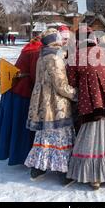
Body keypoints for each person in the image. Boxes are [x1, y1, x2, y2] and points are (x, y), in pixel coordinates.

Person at [66, 27, 105, 190]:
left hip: (91, 101)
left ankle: (93, 177)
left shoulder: (75, 56)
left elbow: (71, 82)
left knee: (91, 136)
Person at [25, 29, 77, 184]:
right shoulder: (54, 58)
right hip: (55, 103)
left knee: (44, 135)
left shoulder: (42, 56)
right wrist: (76, 93)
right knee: (59, 135)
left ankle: (38, 168)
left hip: (41, 101)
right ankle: (63, 172)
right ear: (55, 40)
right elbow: (61, 85)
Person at [0, 37, 43, 166]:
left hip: (13, 90)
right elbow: (34, 75)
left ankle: (12, 152)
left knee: (12, 124)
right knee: (21, 125)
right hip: (22, 92)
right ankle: (21, 155)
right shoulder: (36, 52)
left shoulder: (29, 49)